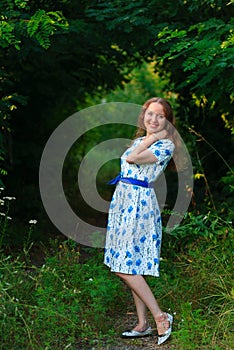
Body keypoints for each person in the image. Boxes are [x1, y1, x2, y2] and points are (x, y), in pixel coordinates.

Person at [104, 97, 176, 345]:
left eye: (160, 116)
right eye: (150, 114)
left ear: (167, 121)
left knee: (122, 266)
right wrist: (148, 137)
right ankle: (143, 323)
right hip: (124, 203)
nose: (153, 120)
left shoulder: (164, 145)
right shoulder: (139, 140)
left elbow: (134, 159)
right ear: (143, 115)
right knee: (130, 263)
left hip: (139, 206)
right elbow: (130, 159)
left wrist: (153, 137)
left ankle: (160, 317)